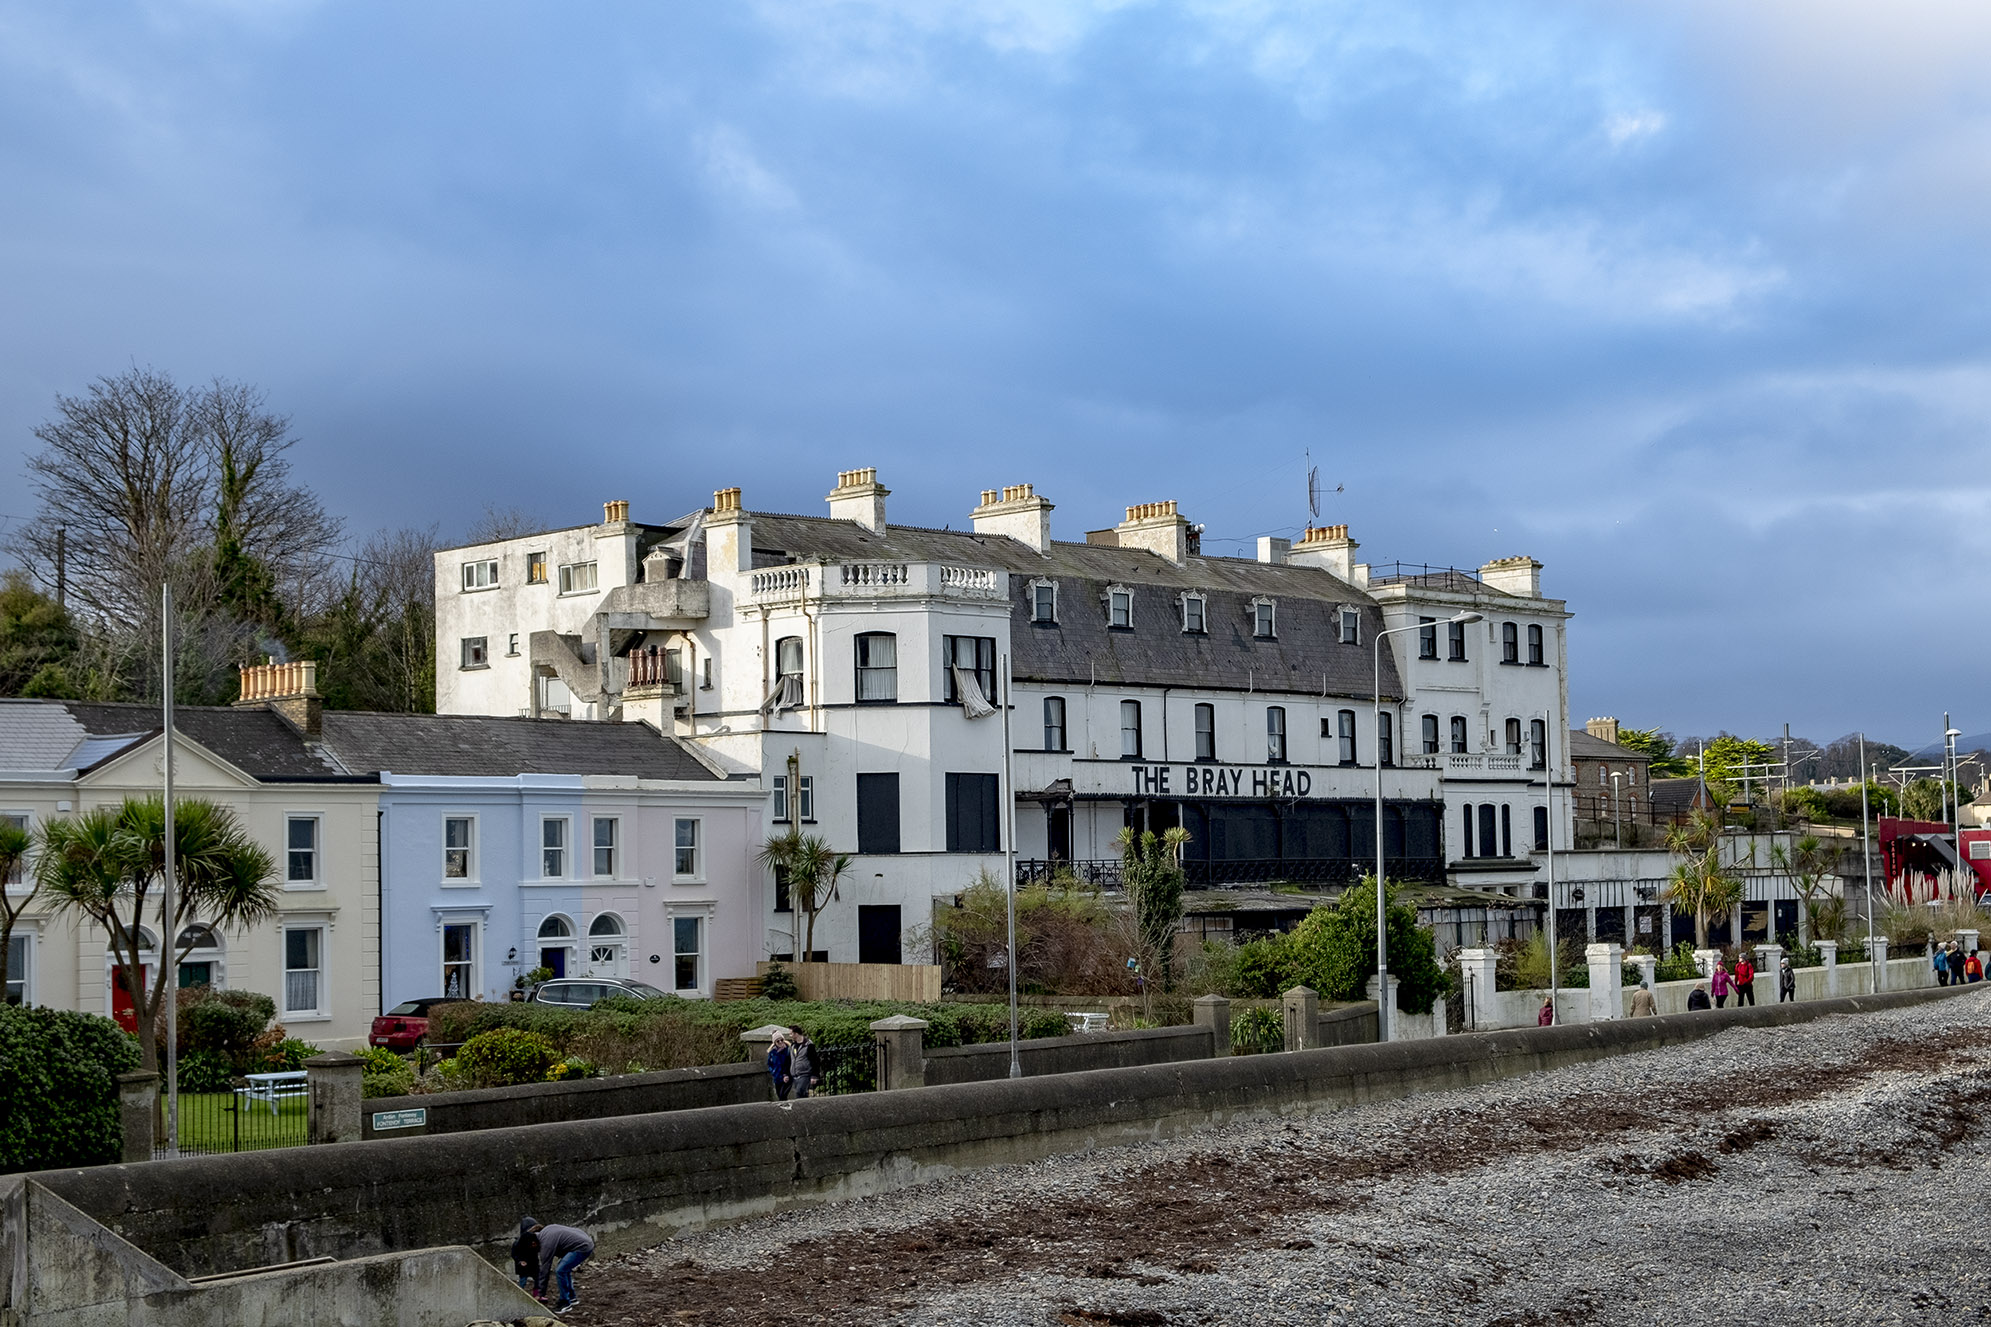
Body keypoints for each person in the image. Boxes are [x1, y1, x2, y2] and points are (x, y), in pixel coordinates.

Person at [530, 1220, 594, 1313]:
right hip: (584, 1241)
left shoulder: (546, 1243)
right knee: (564, 1268)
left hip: (582, 1247)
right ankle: (572, 1298)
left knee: (561, 1270)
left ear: (533, 1243)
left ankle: (565, 1303)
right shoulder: (546, 1231)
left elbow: (545, 1270)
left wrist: (540, 1294)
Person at [786, 1025, 819, 1098]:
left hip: (804, 1074)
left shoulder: (808, 1045)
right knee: (801, 1095)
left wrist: (814, 1076)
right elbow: (790, 1060)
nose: (790, 1035)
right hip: (795, 1075)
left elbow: (815, 1061)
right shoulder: (793, 1045)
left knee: (800, 1092)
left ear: (796, 1034)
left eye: (791, 1033)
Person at [510, 1216, 541, 1295]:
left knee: (538, 1279)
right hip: (523, 1265)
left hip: (534, 1264)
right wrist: (519, 1261)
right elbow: (514, 1254)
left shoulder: (535, 1240)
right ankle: (520, 1294)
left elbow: (538, 1249)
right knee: (523, 1280)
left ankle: (536, 1295)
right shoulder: (518, 1242)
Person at [766, 1030, 793, 1101]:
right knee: (780, 1096)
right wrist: (773, 1072)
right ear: (774, 1042)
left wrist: (785, 1075)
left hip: (787, 1077)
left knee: (782, 1095)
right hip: (777, 1077)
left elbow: (789, 1063)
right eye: (778, 1041)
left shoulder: (788, 1050)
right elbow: (769, 1064)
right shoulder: (772, 1052)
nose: (780, 1042)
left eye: (781, 1040)